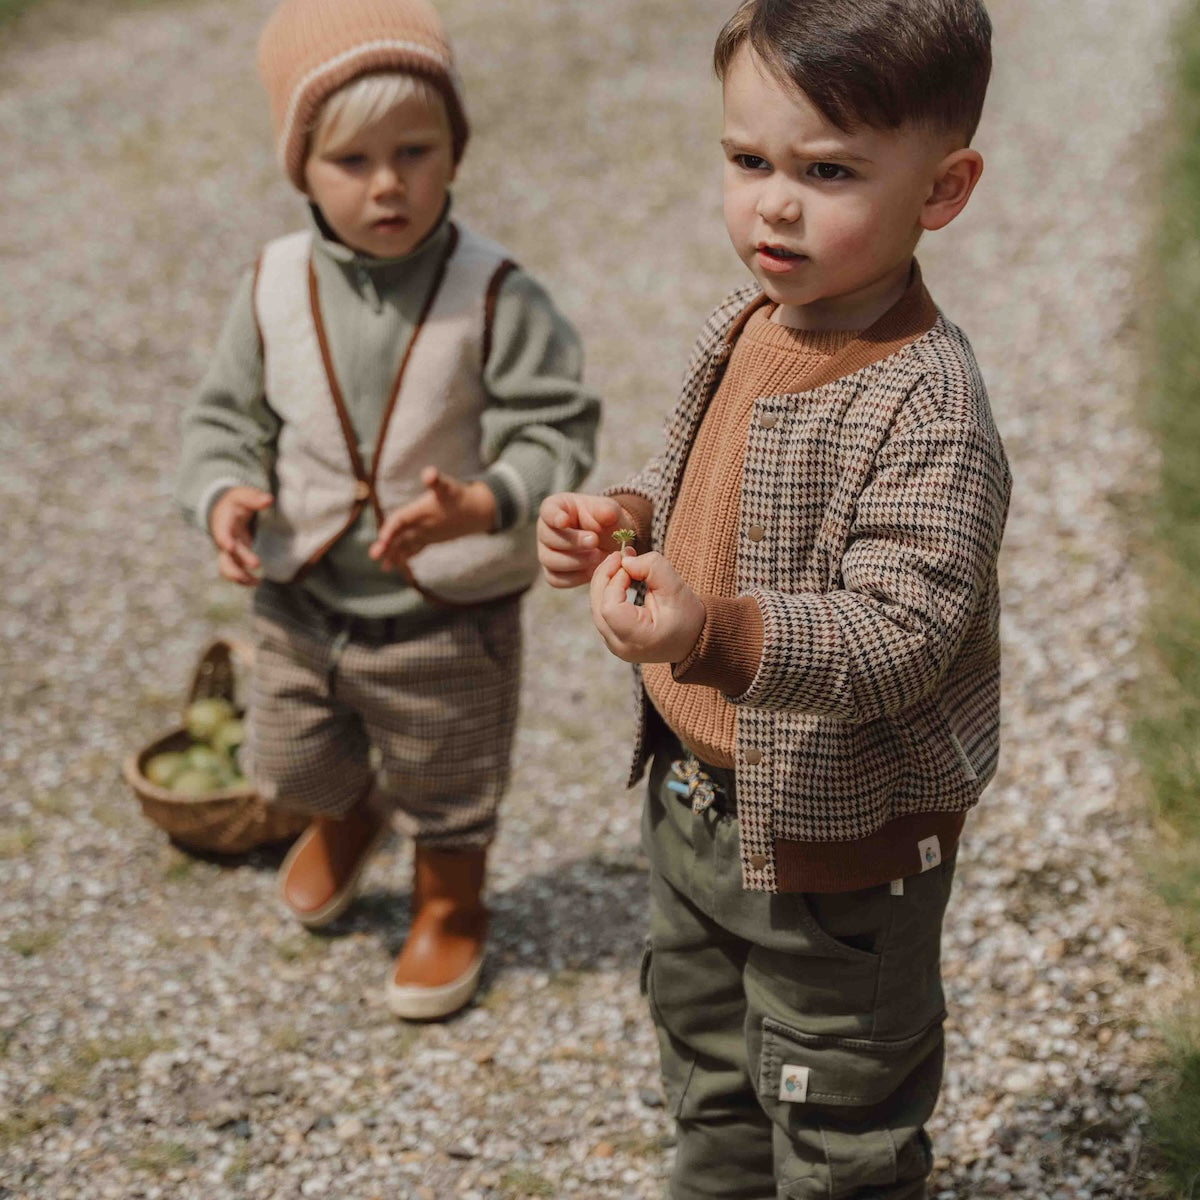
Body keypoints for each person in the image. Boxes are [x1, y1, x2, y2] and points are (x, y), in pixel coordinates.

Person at [536, 0, 1009, 1194]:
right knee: (709, 1075)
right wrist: (628, 519)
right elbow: (716, 493)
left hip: (838, 847)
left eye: (829, 170)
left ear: (942, 190)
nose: (774, 204)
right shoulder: (750, 323)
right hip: (695, 807)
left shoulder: (928, 407)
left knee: (837, 1110)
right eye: (749, 161)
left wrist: (711, 630)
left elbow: (899, 633)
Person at [176, 0, 598, 1022]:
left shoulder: (496, 290)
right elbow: (222, 417)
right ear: (302, 169)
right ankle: (347, 812)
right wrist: (225, 491)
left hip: (442, 610)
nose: (387, 183)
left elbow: (557, 431)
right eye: (351, 161)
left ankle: (451, 901)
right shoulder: (272, 283)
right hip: (304, 592)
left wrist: (488, 499)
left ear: (456, 148)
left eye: (416, 150)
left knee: (449, 776)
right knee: (291, 758)